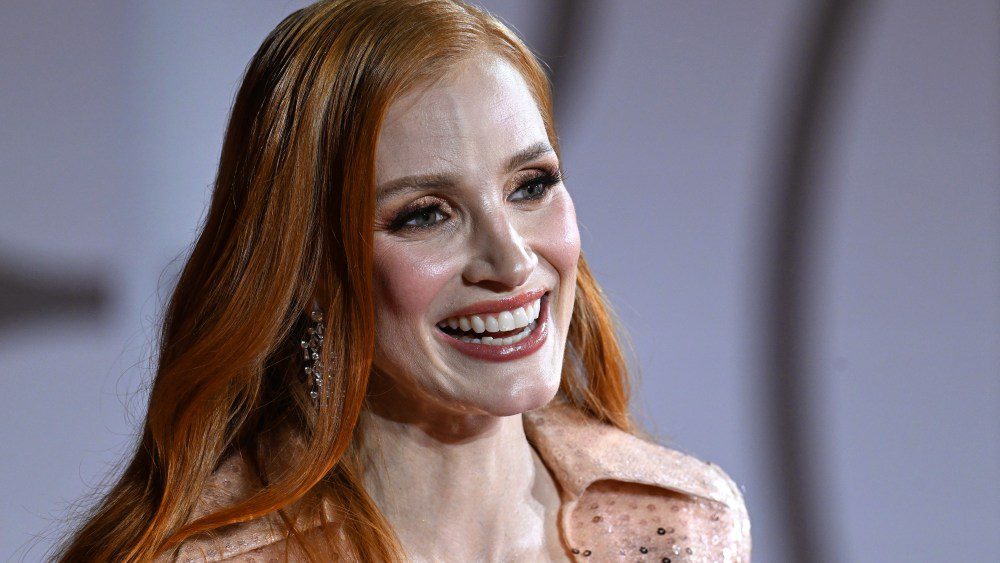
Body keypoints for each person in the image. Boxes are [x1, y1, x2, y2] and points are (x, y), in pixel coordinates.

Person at [55, 0, 751, 561]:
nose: (510, 261)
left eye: (530, 185)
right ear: (308, 268)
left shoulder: (681, 523)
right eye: (424, 214)